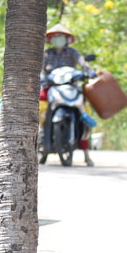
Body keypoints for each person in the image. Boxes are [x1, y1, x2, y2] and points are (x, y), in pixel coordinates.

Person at [41, 22, 94, 166]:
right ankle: (41, 138)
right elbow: (40, 69)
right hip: (53, 88)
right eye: (55, 37)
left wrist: (89, 71)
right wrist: (41, 78)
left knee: (84, 114)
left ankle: (86, 153)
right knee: (42, 110)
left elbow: (83, 63)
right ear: (50, 39)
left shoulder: (73, 52)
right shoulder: (46, 54)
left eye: (61, 36)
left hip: (72, 87)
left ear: (67, 39)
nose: (58, 39)